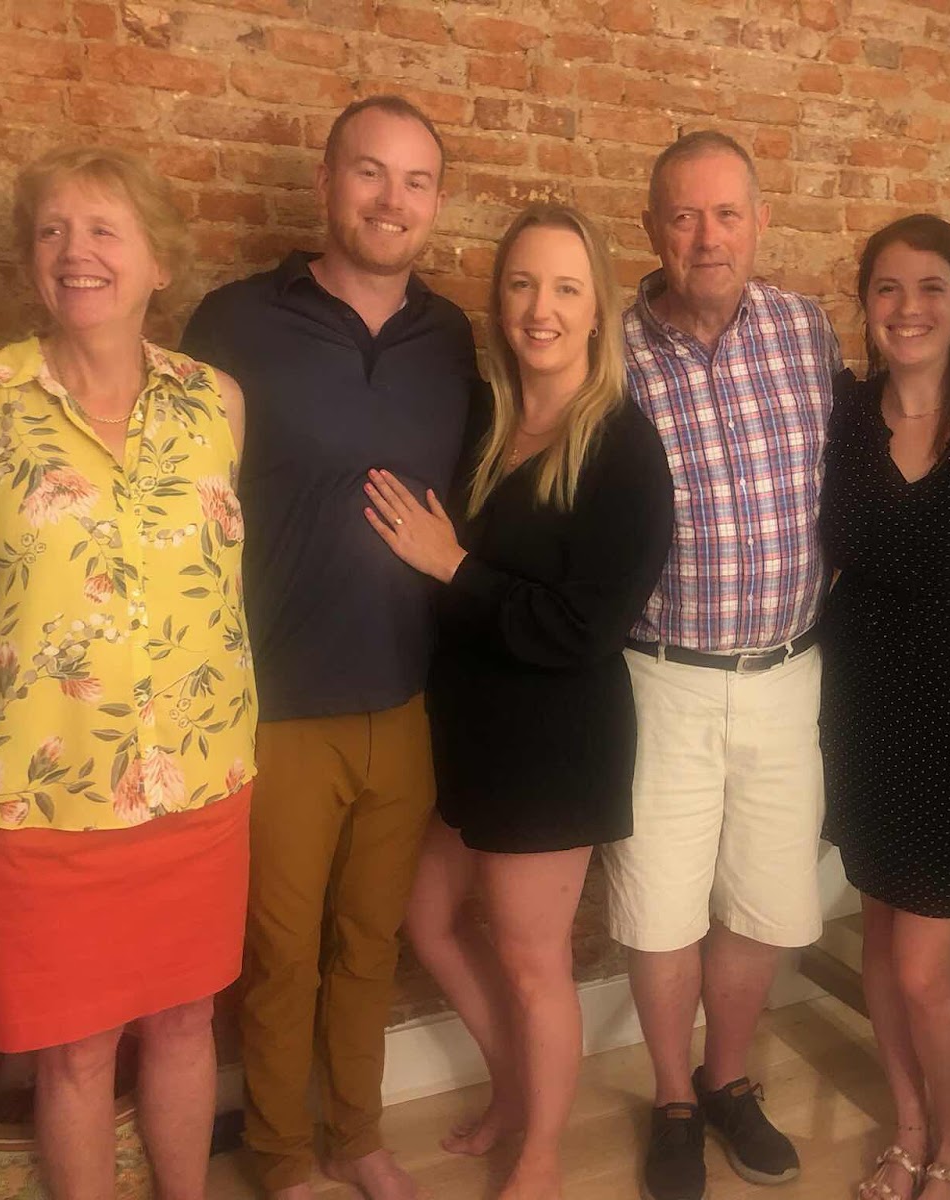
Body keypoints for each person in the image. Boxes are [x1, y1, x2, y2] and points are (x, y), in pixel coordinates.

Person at [0, 145, 256, 1200]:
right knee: (75, 1050)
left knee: (187, 1022)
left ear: (159, 263)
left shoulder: (217, 404)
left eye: (104, 229)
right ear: (30, 261)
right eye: (52, 231)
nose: (75, 251)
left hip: (195, 784)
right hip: (36, 802)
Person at [179, 96, 480, 1200]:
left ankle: (355, 1136)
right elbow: (162, 479)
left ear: (434, 202)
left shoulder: (452, 337)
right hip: (278, 704)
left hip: (406, 697)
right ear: (325, 183)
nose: (391, 200)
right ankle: (279, 1156)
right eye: (369, 172)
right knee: (281, 956)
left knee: (368, 945)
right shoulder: (235, 319)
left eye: (415, 181)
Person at [368, 203, 673, 1200]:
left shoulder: (623, 447)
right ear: (500, 301)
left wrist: (454, 566)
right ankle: (515, 1089)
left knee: (533, 959)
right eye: (523, 285)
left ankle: (541, 1153)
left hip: (553, 740)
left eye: (566, 288)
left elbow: (585, 627)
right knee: (426, 918)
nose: (542, 308)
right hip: (468, 728)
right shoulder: (485, 419)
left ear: (598, 311)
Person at [600, 130, 843, 1200]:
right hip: (660, 675)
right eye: (685, 215)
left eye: (728, 214)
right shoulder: (609, 350)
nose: (708, 237)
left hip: (788, 674)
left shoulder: (805, 330)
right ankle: (671, 1098)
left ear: (759, 222)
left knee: (760, 898)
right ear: (652, 228)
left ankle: (728, 1077)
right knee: (660, 903)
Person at [819, 214, 950, 1200]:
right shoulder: (841, 415)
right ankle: (907, 1125)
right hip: (858, 709)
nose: (907, 308)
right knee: (876, 938)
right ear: (865, 303)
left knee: (920, 966)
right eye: (887, 288)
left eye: (930, 287)